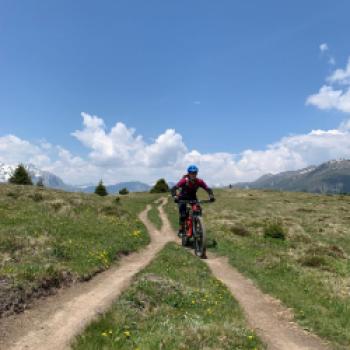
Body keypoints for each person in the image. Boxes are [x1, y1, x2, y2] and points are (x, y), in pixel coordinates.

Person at [171, 165, 215, 236]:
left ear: (197, 173)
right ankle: (181, 230)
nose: (193, 174)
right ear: (188, 173)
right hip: (182, 198)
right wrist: (175, 196)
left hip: (193, 198)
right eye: (191, 173)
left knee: (198, 210)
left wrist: (211, 196)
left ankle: (197, 223)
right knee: (183, 215)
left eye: (194, 173)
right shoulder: (184, 180)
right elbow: (174, 188)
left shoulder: (199, 181)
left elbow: (207, 189)